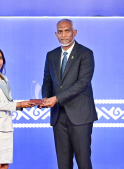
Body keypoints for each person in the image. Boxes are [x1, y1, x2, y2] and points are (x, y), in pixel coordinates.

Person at [40, 19, 98, 169]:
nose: (63, 35)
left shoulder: (85, 53)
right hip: (58, 116)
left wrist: (56, 98)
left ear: (74, 32)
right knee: (63, 164)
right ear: (55, 34)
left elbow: (82, 84)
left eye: (67, 30)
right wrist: (45, 98)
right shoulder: (51, 55)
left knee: (83, 162)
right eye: (60, 31)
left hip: (80, 115)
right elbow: (47, 81)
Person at [0, 46, 35, 169]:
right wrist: (19, 105)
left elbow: (7, 101)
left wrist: (25, 104)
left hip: (6, 125)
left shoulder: (4, 78)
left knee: (4, 164)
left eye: (0, 58)